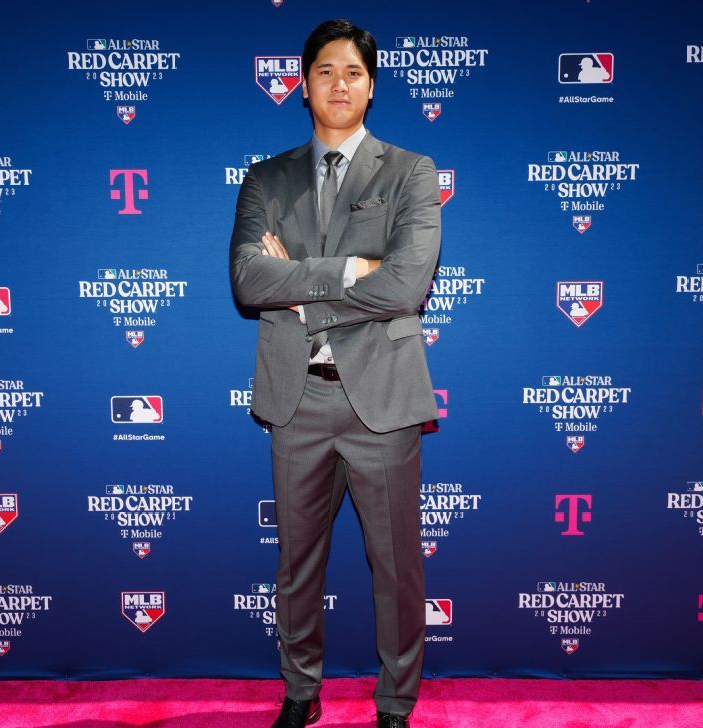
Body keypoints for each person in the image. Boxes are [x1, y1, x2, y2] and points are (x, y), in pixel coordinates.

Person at [229, 18, 441, 728]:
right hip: (297, 401)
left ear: (371, 86)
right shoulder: (266, 177)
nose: (338, 84)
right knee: (296, 567)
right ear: (303, 85)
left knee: (397, 569)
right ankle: (299, 692)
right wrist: (352, 270)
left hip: (382, 399)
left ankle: (396, 703)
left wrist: (301, 285)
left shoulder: (411, 172)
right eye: (324, 71)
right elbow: (248, 280)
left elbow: (406, 286)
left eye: (352, 72)